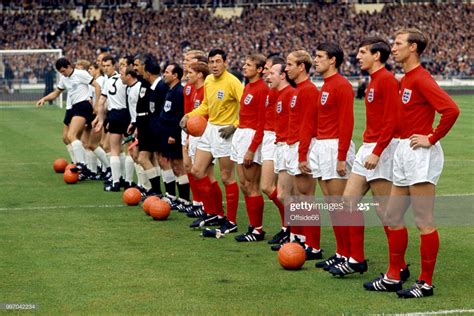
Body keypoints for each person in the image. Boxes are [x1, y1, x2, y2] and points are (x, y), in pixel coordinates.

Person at [364, 28, 460, 299]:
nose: (392, 48)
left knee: (423, 221)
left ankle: (425, 284)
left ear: (414, 48)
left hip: (420, 154)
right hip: (404, 150)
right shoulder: (404, 79)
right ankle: (394, 276)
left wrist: (432, 137)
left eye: (398, 44)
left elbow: (451, 110)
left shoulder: (420, 78)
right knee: (393, 216)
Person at [328, 37, 403, 277]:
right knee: (348, 202)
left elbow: (393, 120)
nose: (357, 56)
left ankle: (398, 267)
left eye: (363, 52)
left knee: (386, 213)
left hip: (382, 150)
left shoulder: (388, 81)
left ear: (377, 56)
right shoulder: (373, 81)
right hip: (367, 147)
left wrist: (378, 151)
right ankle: (356, 259)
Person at [300, 43, 356, 268]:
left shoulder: (342, 85)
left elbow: (346, 122)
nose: (315, 60)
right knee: (332, 205)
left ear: (333, 60)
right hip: (322, 147)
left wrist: (342, 156)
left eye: (319, 56)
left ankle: (351, 255)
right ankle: (341, 252)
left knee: (340, 204)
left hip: (334, 147)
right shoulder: (325, 85)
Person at [180, 48, 243, 237]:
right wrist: (189, 115)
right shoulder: (208, 80)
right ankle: (216, 213)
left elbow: (247, 107)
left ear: (225, 62)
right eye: (211, 62)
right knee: (197, 170)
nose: (214, 65)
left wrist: (235, 125)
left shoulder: (233, 82)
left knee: (226, 177)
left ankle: (230, 222)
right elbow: (206, 105)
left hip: (225, 132)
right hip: (210, 129)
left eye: (217, 61)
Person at [276, 50, 322, 261]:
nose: (286, 68)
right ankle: (299, 236)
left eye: (290, 64)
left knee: (306, 197)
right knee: (294, 197)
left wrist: (303, 154)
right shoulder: (298, 90)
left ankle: (313, 244)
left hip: (303, 147)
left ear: (301, 67)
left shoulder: (309, 90)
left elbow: (308, 125)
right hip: (292, 145)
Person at [36, 57, 101, 177]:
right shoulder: (64, 79)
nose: (63, 74)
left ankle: (81, 164)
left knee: (71, 136)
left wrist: (96, 105)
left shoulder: (81, 74)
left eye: (63, 71)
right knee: (73, 138)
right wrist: (44, 99)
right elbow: (56, 93)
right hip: (75, 108)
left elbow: (97, 86)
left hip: (84, 106)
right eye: (60, 72)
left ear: (69, 66)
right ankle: (85, 166)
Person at [230, 54, 269, 242]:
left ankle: (258, 230)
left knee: (253, 185)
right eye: (244, 64)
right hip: (241, 135)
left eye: (249, 65)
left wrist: (252, 148)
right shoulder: (247, 86)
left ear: (260, 69)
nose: (244, 67)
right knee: (244, 185)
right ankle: (253, 226)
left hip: (251, 137)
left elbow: (262, 122)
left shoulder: (262, 89)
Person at [267, 57, 297, 246]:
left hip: (290, 146)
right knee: (284, 195)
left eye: (271, 73)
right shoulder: (280, 94)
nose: (268, 76)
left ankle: (300, 237)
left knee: (292, 197)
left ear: (283, 75)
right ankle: (293, 233)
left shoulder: (290, 94)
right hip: (282, 145)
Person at [262, 55, 289, 245]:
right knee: (275, 189)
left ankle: (290, 227)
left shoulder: (286, 92)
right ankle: (288, 226)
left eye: (269, 70)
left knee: (276, 189)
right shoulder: (271, 90)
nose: (266, 73)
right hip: (271, 138)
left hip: (280, 140)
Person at [95, 55, 131, 191]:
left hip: (117, 114)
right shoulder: (124, 79)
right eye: (103, 66)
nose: (105, 68)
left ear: (114, 66)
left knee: (116, 149)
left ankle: (117, 182)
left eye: (108, 66)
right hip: (124, 115)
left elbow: (101, 101)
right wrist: (100, 119)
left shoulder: (113, 80)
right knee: (123, 149)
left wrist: (100, 119)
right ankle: (125, 181)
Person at [133, 54, 163, 197]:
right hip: (144, 123)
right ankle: (154, 189)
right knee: (149, 158)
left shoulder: (154, 85)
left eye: (138, 65)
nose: (136, 68)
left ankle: (156, 190)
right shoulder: (145, 82)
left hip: (148, 123)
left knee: (143, 158)